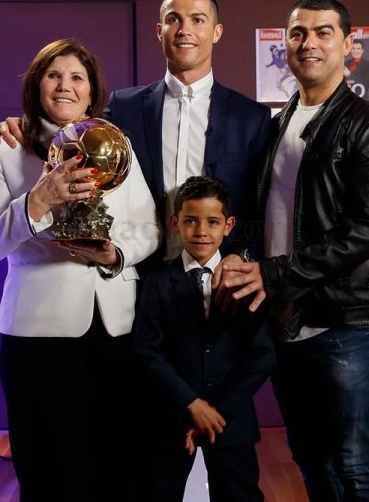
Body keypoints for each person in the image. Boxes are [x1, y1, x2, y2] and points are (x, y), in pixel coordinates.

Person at [218, 0, 369, 500]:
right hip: (285, 318)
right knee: (309, 454)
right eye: (298, 32)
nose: (309, 43)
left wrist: (274, 275)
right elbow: (264, 213)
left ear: (349, 45)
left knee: (353, 462)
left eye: (324, 32)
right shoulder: (278, 123)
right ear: (285, 44)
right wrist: (244, 256)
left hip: (344, 322)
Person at [0, 38, 160, 501]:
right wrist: (38, 201)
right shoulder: (6, 148)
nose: (65, 85)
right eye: (54, 75)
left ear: (92, 91)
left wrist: (115, 255)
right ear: (37, 85)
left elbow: (150, 227)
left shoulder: (116, 146)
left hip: (116, 330)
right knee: (51, 472)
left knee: (115, 468)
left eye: (77, 77)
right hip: (39, 336)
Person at [0, 0, 271, 269]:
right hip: (144, 280)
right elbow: (73, 129)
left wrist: (243, 256)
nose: (184, 30)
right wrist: (24, 125)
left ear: (217, 32)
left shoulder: (251, 118)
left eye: (197, 20)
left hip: (222, 277)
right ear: (159, 31)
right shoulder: (124, 106)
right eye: (173, 19)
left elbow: (261, 205)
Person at [133, 176, 274, 502]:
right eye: (190, 221)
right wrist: (191, 404)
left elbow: (262, 355)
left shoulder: (246, 281)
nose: (201, 231)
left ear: (228, 225)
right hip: (172, 418)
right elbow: (146, 350)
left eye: (212, 221)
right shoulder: (156, 283)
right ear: (175, 223)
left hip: (230, 419)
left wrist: (214, 409)